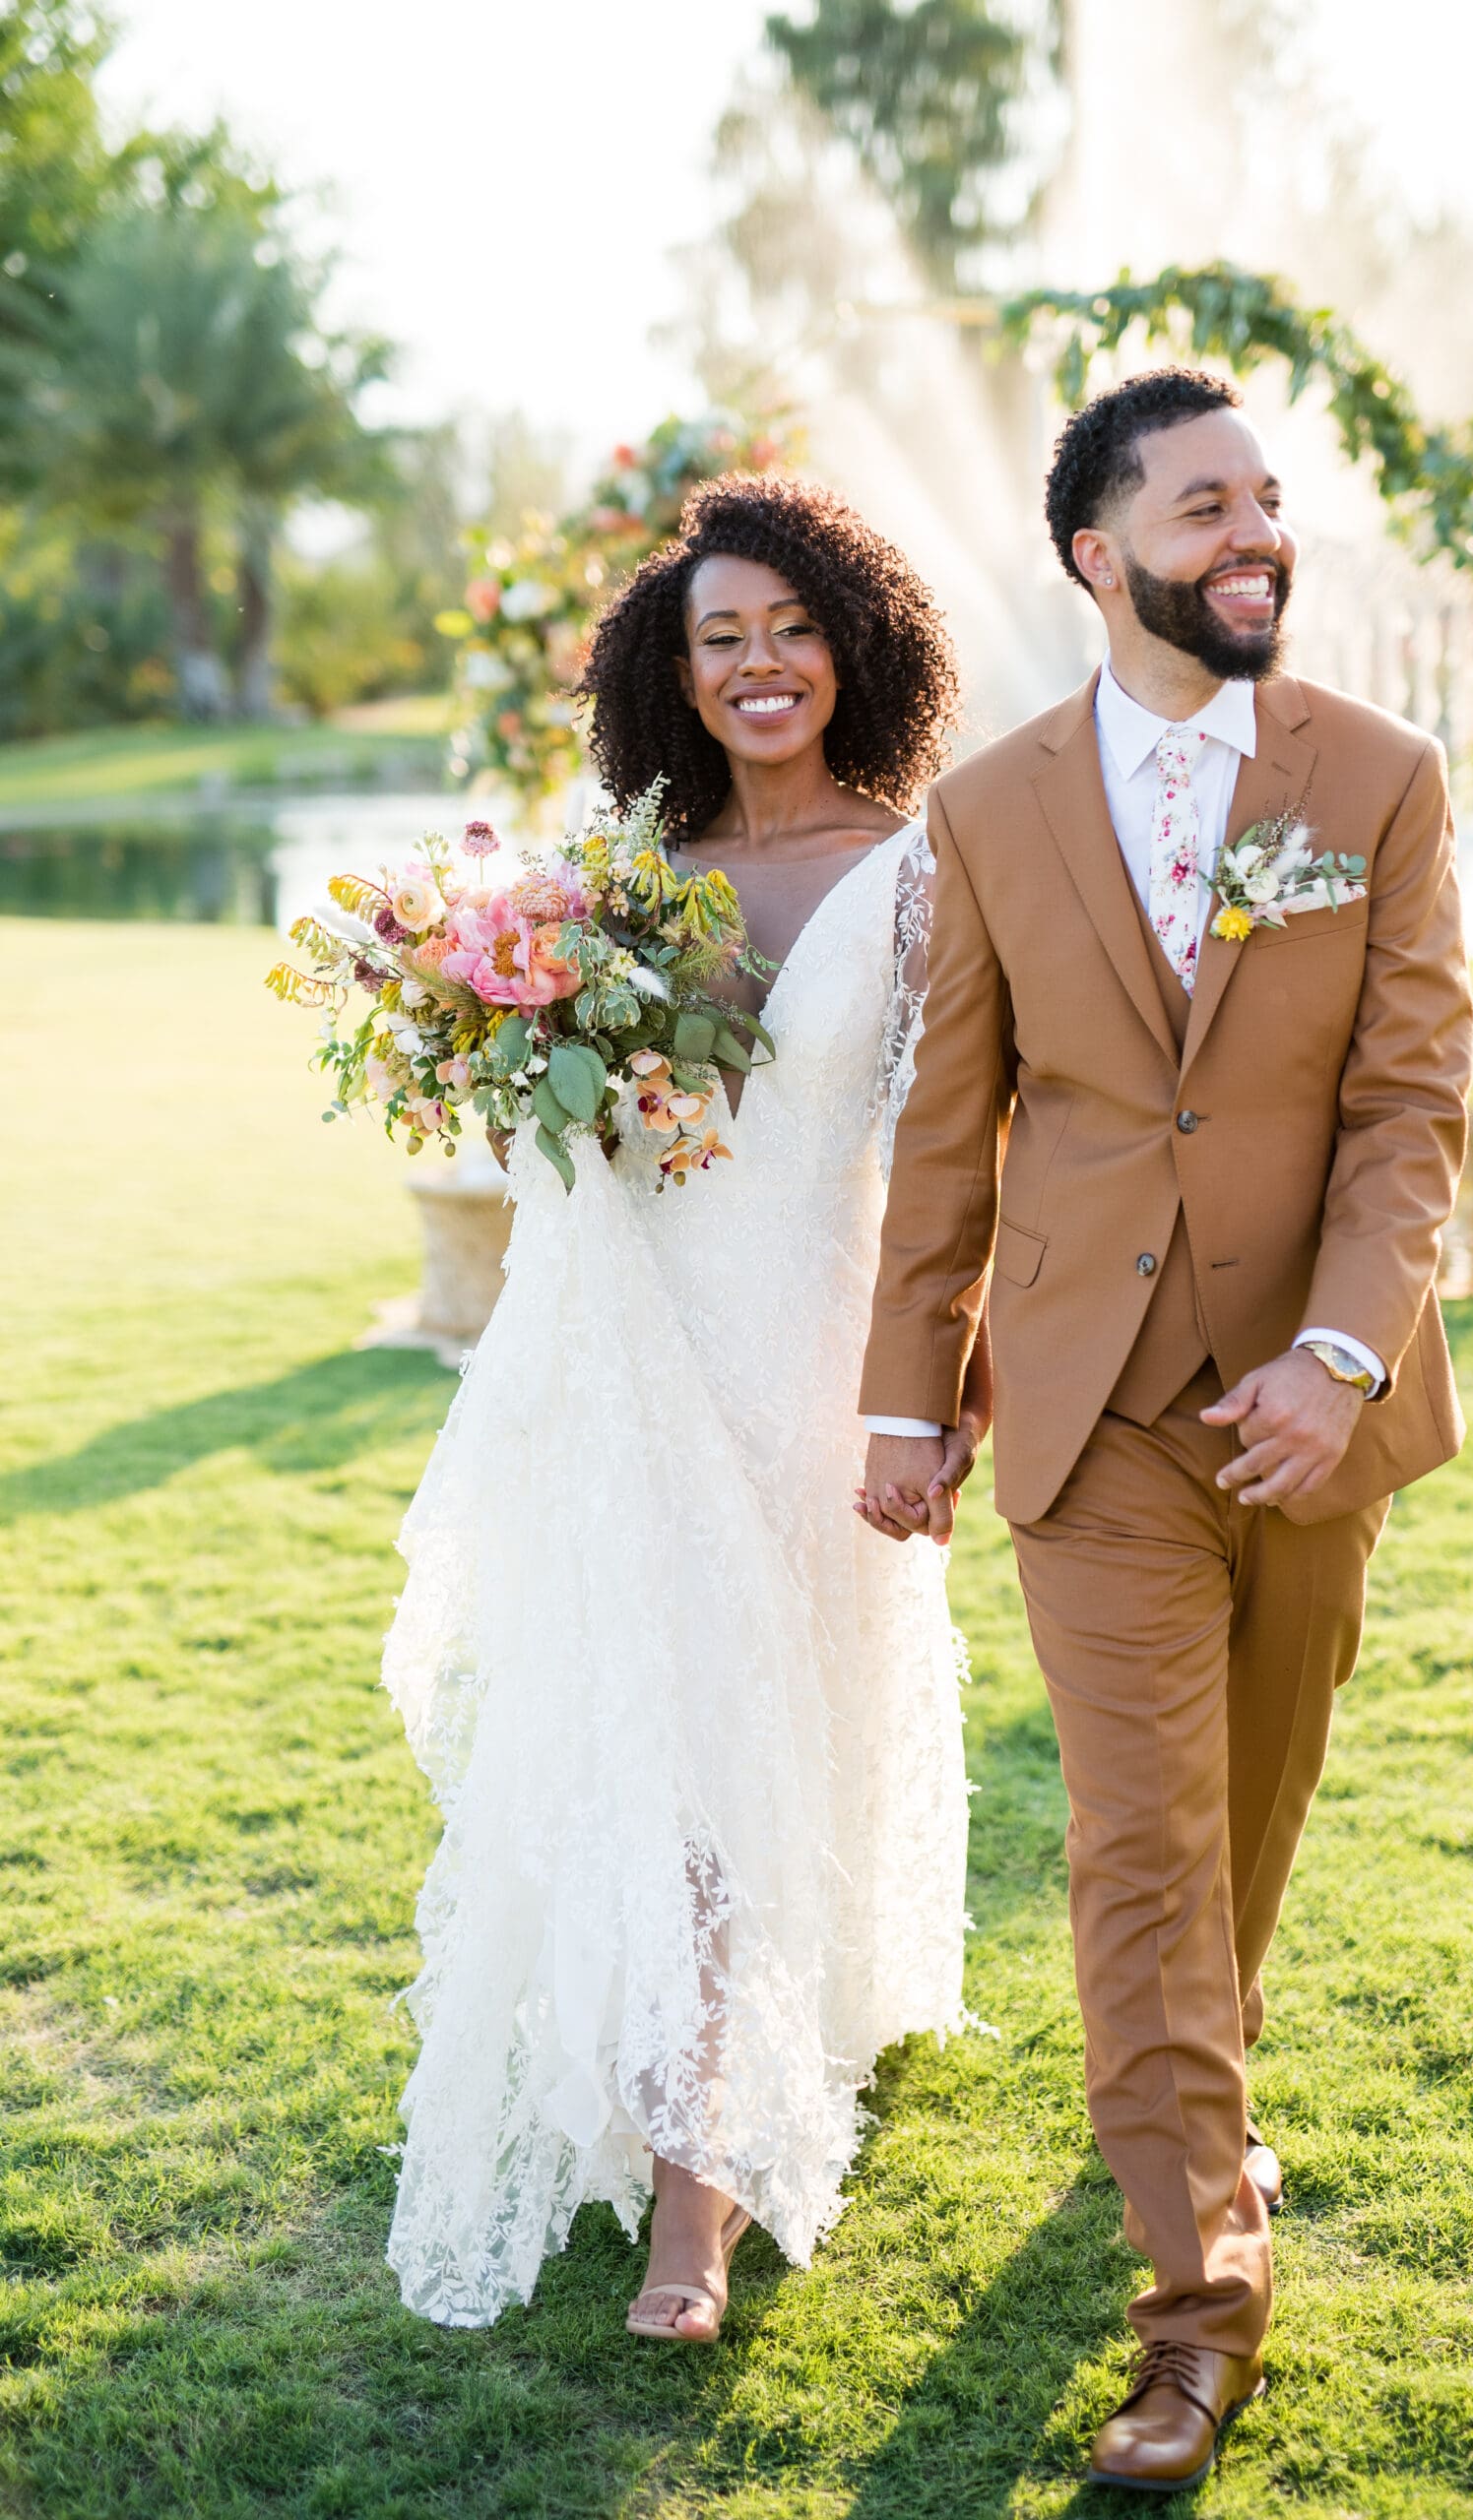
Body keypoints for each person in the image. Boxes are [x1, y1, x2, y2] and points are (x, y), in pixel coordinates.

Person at [857, 367, 1473, 2491]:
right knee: (1139, 1848)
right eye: (1209, 505)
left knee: (1246, 1830)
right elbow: (953, 1129)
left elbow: (1409, 1108)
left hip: (1313, 1410)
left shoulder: (1377, 777)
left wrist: (1348, 1358)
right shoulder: (994, 804)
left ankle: (1198, 2102)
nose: (1257, 535)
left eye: (1271, 502)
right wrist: (906, 1390)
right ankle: (1200, 2306)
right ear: (1097, 553)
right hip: (1091, 1412)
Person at [383, 474, 986, 2343]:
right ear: (674, 665)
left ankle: (747, 2070)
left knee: (779, 1749)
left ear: (853, 644)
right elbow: (558, 1130)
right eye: (718, 636)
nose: (756, 665)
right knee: (680, 1772)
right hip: (631, 1371)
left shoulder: (927, 867)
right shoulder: (625, 873)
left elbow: (971, 1158)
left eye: (789, 627)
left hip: (818, 1377)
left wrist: (940, 1390)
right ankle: (689, 2210)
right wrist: (503, 1058)